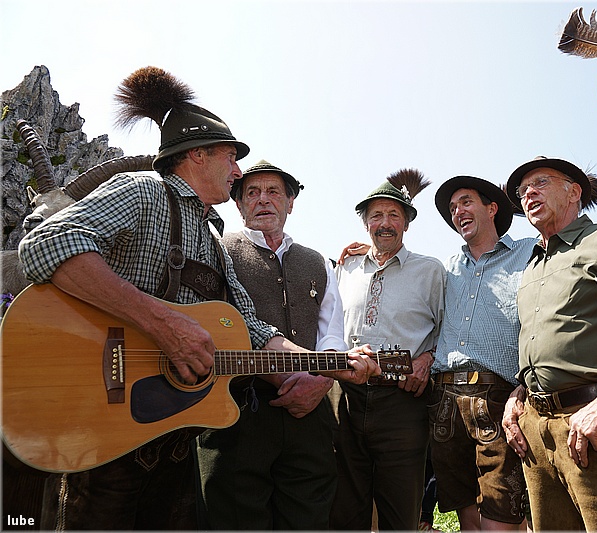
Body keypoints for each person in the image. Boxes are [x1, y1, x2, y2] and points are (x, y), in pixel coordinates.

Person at [17, 67, 378, 530]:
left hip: (172, 440)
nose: (238, 172)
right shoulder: (141, 191)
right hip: (102, 431)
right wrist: (162, 324)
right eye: (230, 158)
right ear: (197, 155)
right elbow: (46, 241)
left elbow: (252, 330)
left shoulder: (213, 241)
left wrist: (328, 364)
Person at [196, 160, 348, 529]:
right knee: (234, 518)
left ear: (290, 203)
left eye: (274, 192)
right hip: (235, 409)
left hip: (310, 413)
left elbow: (332, 333)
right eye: (252, 192)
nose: (263, 200)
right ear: (239, 205)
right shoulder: (216, 252)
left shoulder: (317, 262)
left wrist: (320, 382)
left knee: (309, 518)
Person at [501, 156, 597, 531]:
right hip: (535, 431)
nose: (528, 194)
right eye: (522, 190)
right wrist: (519, 394)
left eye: (540, 182)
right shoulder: (531, 266)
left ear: (573, 192)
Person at [331, 169, 446, 531]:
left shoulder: (431, 271)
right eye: (376, 215)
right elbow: (329, 327)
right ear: (365, 223)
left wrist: (428, 358)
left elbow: (451, 330)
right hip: (346, 401)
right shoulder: (345, 267)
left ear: (407, 223)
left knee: (401, 514)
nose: (385, 223)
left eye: (394, 215)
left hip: (403, 403)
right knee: (345, 512)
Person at [428, 176, 535, 530]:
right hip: (445, 403)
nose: (458, 212)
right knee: (469, 522)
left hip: (498, 399)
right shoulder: (445, 269)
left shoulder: (529, 252)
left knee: (502, 518)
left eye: (466, 202)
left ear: (492, 209)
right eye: (452, 208)